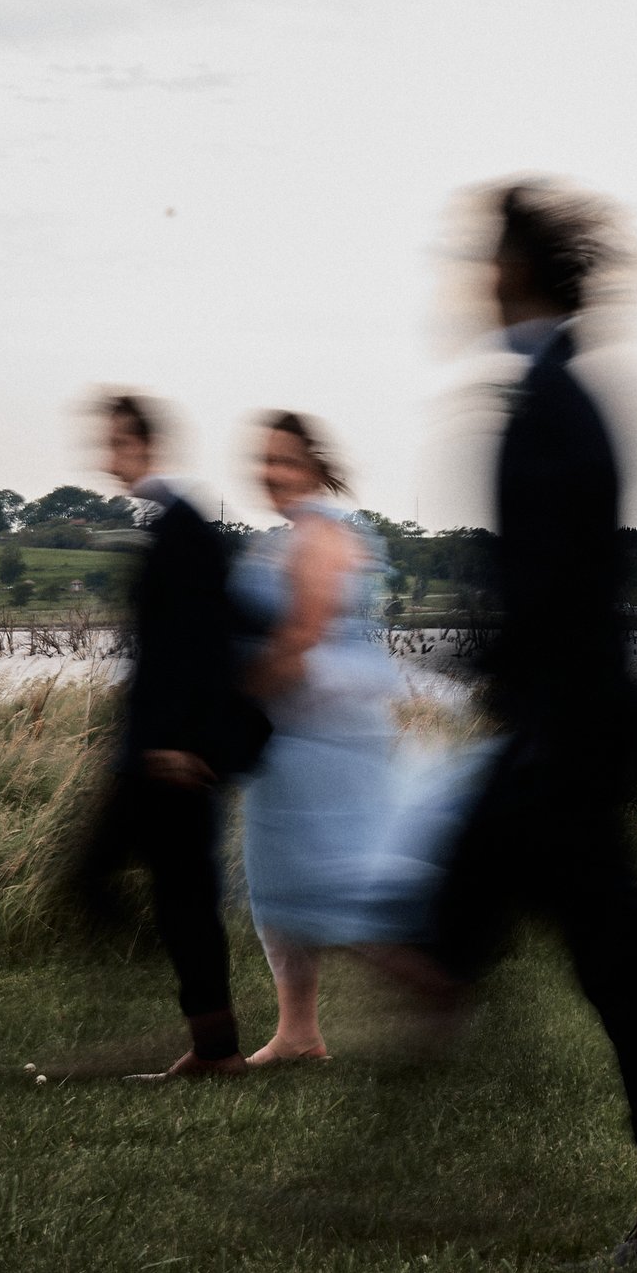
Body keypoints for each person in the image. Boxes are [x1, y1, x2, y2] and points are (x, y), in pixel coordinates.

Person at [420, 179, 637, 1266]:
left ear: (515, 273)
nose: (468, 280)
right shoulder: (555, 391)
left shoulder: (551, 400)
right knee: (573, 965)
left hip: (568, 743)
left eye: (480, 260)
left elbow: (556, 587)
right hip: (563, 736)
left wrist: (497, 663)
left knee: (593, 972)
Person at [74, 391, 269, 1080]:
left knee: (97, 876)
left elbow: (197, 647)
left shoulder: (182, 528)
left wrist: (181, 741)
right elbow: (233, 622)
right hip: (170, 747)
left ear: (144, 445)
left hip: (171, 752)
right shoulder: (179, 525)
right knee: (182, 895)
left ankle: (202, 1035)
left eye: (117, 442)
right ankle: (215, 1048)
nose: (107, 457)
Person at [229, 411, 412, 1065]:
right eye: (264, 459)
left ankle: (438, 988)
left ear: (312, 465)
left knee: (317, 885)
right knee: (279, 883)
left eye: (283, 459)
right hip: (298, 730)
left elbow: (303, 637)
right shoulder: (294, 537)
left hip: (320, 733)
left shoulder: (320, 538)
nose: (270, 472)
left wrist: (235, 696)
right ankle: (297, 1031)